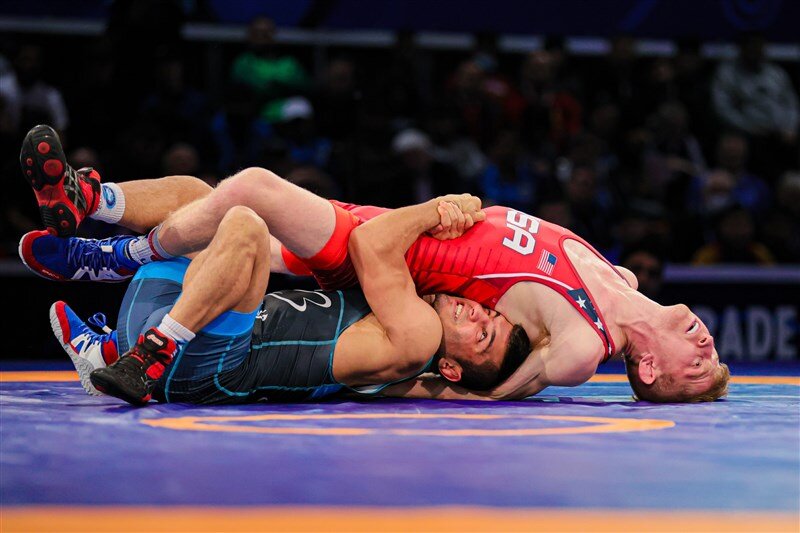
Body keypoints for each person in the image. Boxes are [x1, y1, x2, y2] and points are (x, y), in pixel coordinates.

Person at [20, 125, 729, 403]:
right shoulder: (621, 281)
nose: (707, 345)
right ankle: (94, 203)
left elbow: (496, 390)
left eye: (698, 367)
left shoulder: (581, 347)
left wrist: (434, 387)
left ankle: (109, 254)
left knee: (250, 193)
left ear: (648, 369)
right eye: (712, 353)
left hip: (389, 249)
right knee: (209, 203)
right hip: (386, 230)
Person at [54, 197, 527, 406]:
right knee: (203, 200)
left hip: (207, 367)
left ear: (451, 367)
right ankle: (93, 212)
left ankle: (150, 347)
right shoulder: (406, 336)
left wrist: (439, 208)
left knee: (244, 223)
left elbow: (371, 242)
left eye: (483, 335)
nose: (478, 312)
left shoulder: (419, 337)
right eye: (491, 313)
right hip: (183, 330)